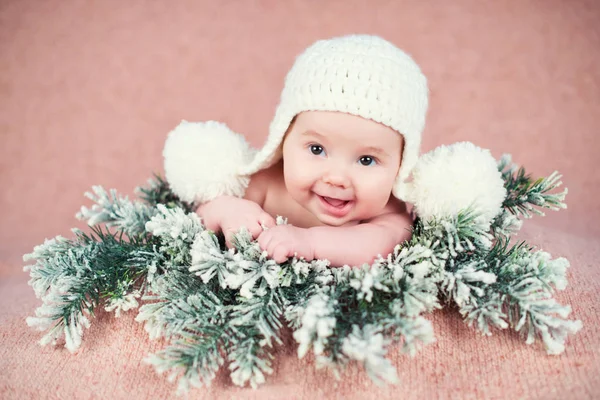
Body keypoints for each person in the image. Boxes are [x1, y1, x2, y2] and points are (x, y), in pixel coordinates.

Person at [197, 34, 429, 266]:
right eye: (317, 149)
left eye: (366, 160)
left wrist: (310, 242)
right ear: (283, 139)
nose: (337, 178)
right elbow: (199, 215)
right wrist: (227, 210)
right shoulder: (266, 183)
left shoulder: (387, 213)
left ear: (400, 164)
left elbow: (382, 245)